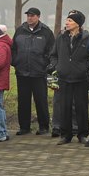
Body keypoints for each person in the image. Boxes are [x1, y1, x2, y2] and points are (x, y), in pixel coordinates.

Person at [11, 7, 55, 136]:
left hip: (39, 72)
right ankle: (24, 127)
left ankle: (44, 126)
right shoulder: (20, 30)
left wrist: (45, 65)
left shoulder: (46, 32)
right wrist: (15, 61)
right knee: (23, 101)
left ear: (38, 17)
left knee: (41, 100)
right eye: (28, 15)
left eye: (32, 15)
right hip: (22, 72)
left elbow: (51, 51)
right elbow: (13, 48)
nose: (30, 18)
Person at [54, 10, 89, 145]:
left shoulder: (87, 39)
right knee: (64, 107)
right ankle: (66, 135)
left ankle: (82, 134)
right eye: (67, 20)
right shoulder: (61, 37)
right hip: (64, 78)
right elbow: (54, 54)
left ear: (78, 24)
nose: (67, 23)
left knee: (81, 107)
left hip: (80, 79)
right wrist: (56, 66)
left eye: (70, 20)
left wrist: (85, 66)